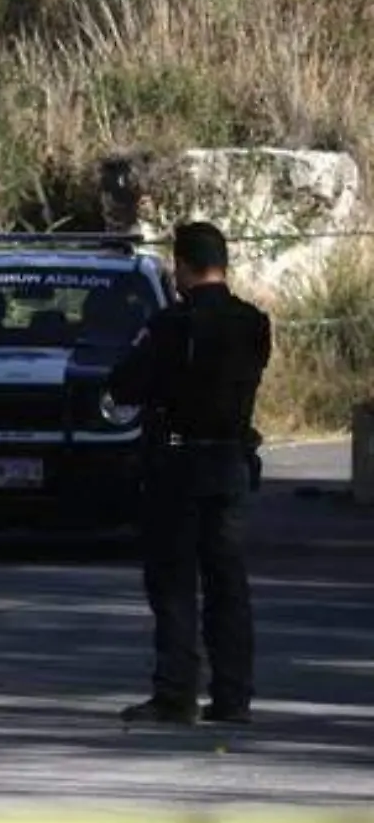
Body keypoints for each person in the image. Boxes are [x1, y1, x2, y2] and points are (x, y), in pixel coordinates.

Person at [107, 221, 272, 725]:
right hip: (228, 462)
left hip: (178, 463)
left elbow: (126, 384)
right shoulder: (253, 323)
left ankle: (175, 692)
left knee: (175, 581)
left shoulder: (170, 326)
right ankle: (233, 695)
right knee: (228, 583)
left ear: (181, 266)